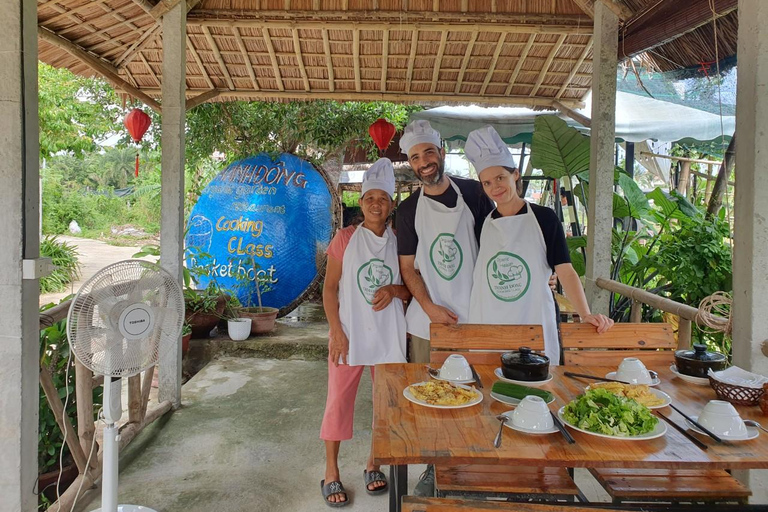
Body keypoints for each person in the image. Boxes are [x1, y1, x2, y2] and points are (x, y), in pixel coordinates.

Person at [465, 125, 613, 364]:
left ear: (515, 175)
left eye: (500, 178)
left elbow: (565, 270)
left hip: (532, 318)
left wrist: (584, 314)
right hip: (491, 319)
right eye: (487, 183)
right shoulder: (484, 224)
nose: (496, 187)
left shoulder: (544, 218)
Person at [320, 158, 410, 507]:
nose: (376, 203)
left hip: (387, 335)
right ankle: (331, 471)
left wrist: (394, 290)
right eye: (370, 197)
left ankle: (374, 463)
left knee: (384, 405)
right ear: (361, 201)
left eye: (383, 199)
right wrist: (336, 331)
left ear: (391, 205)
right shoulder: (344, 240)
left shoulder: (399, 242)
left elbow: (408, 290)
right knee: (338, 402)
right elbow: (330, 290)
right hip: (349, 335)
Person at [396, 120, 494, 364]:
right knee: (427, 390)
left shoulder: (475, 193)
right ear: (411, 164)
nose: (424, 163)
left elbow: (496, 247)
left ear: (442, 152)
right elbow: (407, 268)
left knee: (475, 388)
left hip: (476, 314)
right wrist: (430, 308)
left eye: (429, 152)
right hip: (427, 321)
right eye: (415, 157)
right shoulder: (407, 210)